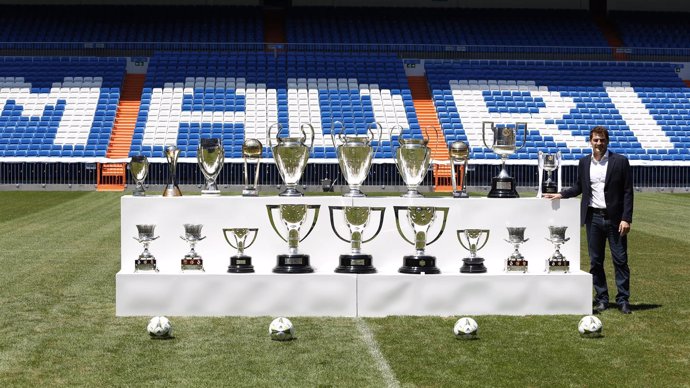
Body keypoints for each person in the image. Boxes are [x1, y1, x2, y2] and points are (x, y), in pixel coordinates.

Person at [544, 126, 634, 314]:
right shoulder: (584, 162)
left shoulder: (621, 161)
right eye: (595, 140)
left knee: (620, 260)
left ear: (607, 141)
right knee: (595, 261)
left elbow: (627, 192)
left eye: (602, 140)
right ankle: (602, 298)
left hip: (616, 220)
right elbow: (579, 187)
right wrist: (562, 194)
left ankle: (623, 299)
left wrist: (626, 218)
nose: (599, 143)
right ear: (590, 141)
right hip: (593, 217)